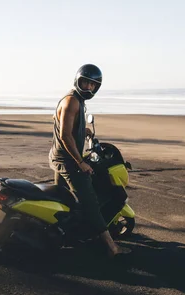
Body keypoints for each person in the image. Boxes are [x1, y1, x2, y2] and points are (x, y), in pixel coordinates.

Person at [49, 64, 131, 258]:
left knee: (63, 199)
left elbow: (59, 121)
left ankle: (64, 236)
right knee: (90, 202)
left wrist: (81, 129)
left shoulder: (75, 100)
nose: (89, 88)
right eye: (85, 83)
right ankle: (112, 248)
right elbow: (65, 136)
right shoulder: (72, 102)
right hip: (69, 161)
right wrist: (80, 162)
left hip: (59, 157)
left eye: (93, 85)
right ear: (78, 80)